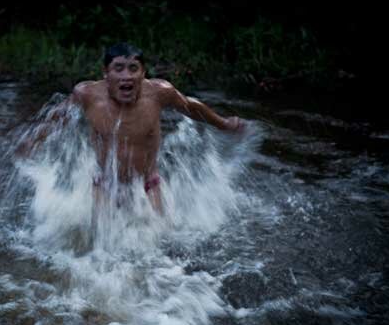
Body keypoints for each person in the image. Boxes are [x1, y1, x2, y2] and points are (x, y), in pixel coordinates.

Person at [19, 42, 245, 217]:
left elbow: (191, 106)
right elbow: (58, 117)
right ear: (106, 73)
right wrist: (34, 140)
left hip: (147, 184)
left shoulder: (159, 92)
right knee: (99, 249)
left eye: (133, 68)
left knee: (162, 246)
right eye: (118, 68)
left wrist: (223, 124)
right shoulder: (86, 95)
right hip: (105, 183)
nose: (126, 75)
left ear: (143, 73)